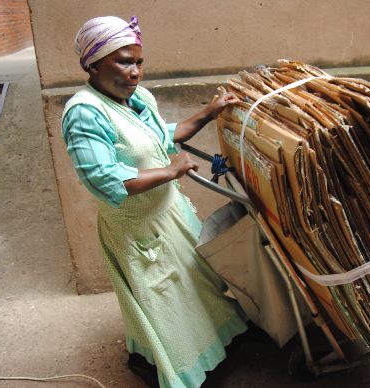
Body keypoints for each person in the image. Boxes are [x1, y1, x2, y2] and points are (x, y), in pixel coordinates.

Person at [61, 16, 248, 388]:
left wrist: (210, 112)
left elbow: (162, 136)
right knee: (163, 304)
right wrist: (171, 171)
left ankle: (217, 345)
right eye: (124, 61)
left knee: (197, 285)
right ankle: (181, 368)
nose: (135, 72)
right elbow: (102, 179)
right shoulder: (84, 111)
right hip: (137, 227)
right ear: (93, 64)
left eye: (139, 62)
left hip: (169, 213)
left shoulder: (138, 98)